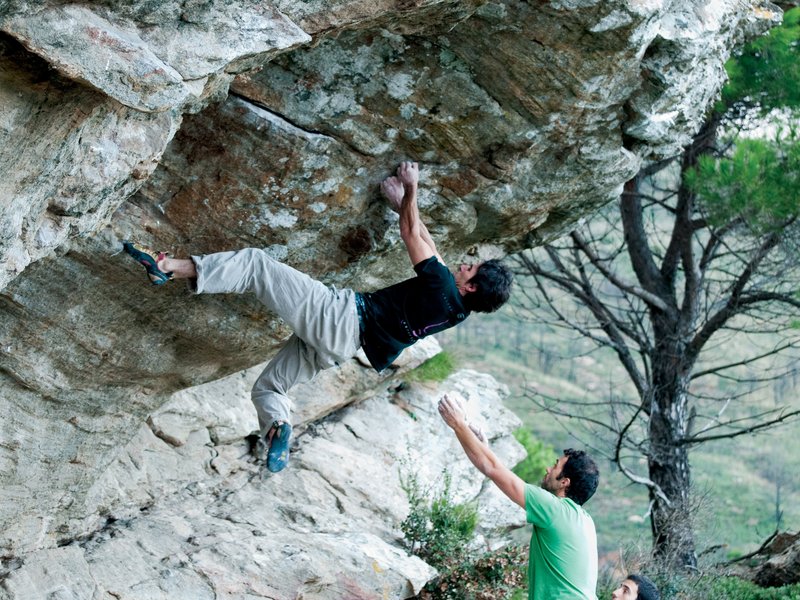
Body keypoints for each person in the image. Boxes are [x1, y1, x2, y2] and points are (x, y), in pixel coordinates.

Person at [123, 162, 513, 473]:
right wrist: (400, 204)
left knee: (257, 265)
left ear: (472, 287)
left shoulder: (442, 286)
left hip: (340, 317)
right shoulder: (456, 308)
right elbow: (428, 245)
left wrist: (412, 189)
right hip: (343, 346)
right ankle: (278, 426)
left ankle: (166, 267)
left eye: (472, 268)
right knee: (269, 390)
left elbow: (413, 236)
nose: (466, 263)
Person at [437, 395, 599, 600]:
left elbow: (494, 469)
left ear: (564, 482)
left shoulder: (554, 509)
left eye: (555, 465)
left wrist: (458, 424)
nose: (548, 468)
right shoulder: (584, 520)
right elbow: (494, 471)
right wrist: (480, 446)